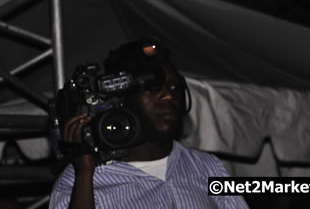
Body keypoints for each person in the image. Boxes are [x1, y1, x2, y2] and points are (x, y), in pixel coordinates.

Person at [49, 38, 248, 209]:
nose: (168, 96)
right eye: (153, 88)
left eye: (173, 86)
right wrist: (84, 174)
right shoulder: (81, 180)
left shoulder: (207, 168)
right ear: (120, 99)